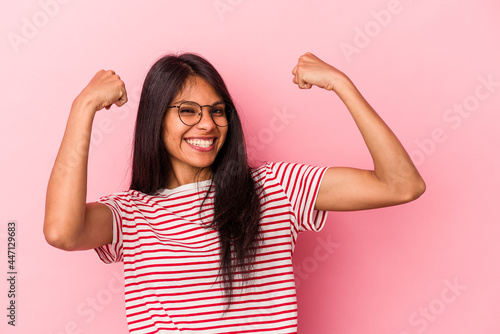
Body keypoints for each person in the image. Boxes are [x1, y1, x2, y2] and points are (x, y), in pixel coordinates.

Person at [44, 52, 425, 333]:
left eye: (218, 110)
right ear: (155, 120)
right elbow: (62, 232)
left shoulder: (275, 188)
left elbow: (401, 185)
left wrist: (342, 85)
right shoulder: (130, 214)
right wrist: (84, 107)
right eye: (188, 111)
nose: (207, 124)